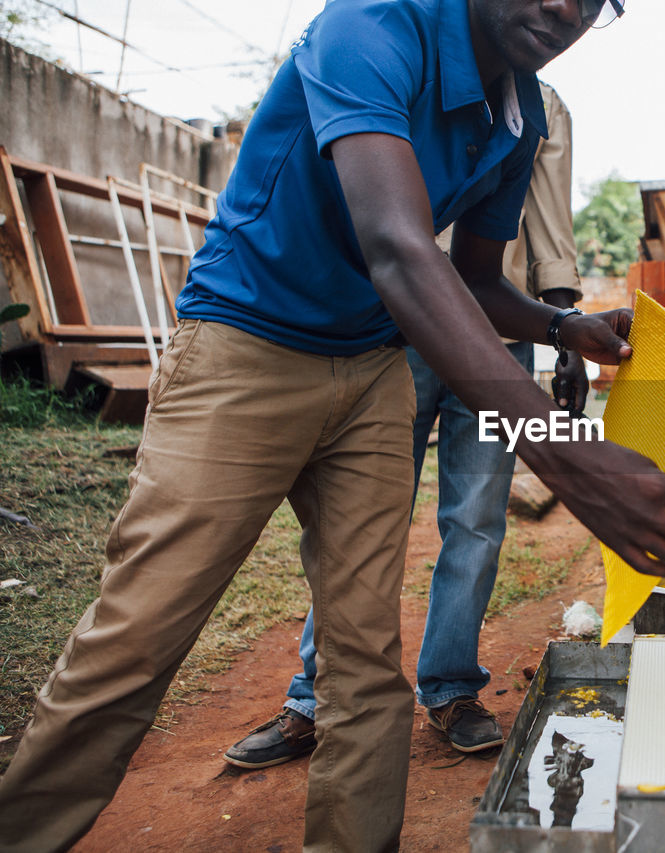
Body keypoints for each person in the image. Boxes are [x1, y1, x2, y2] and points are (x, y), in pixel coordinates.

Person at [0, 2, 665, 851]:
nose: (565, 6)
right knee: (137, 635)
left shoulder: (518, 111)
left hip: (375, 362)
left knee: (364, 659)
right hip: (246, 347)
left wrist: (562, 327)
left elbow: (475, 280)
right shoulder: (371, 30)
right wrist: (571, 456)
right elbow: (397, 245)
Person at [223, 80, 585, 766]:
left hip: (496, 337)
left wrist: (565, 335)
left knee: (477, 519)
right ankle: (316, 694)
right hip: (393, 325)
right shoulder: (404, 69)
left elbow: (549, 213)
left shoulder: (543, 103)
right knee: (360, 518)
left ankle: (451, 686)